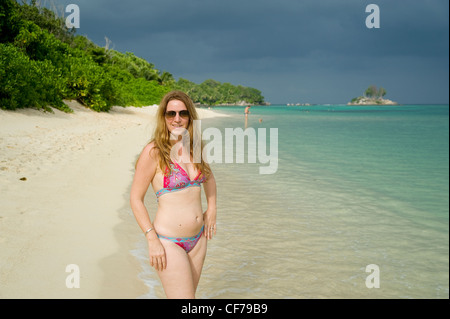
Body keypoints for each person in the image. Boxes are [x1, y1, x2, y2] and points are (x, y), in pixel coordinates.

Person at [130, 90, 217, 299]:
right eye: (171, 114)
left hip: (198, 240)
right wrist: (152, 239)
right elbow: (135, 198)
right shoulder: (154, 151)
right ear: (164, 117)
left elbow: (209, 178)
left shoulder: (194, 147)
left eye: (183, 113)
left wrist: (212, 208)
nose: (177, 119)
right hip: (168, 241)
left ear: (189, 117)